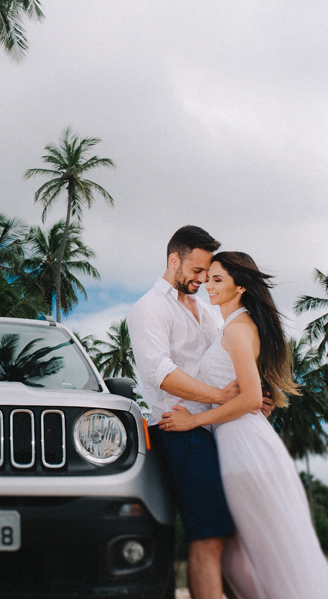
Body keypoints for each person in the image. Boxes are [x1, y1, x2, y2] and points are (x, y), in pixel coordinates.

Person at [159, 251, 328, 598]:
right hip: (239, 447)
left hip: (245, 452)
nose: (208, 284)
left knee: (261, 555)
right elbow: (250, 395)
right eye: (209, 277)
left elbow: (251, 399)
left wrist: (193, 420)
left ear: (241, 287)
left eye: (218, 279)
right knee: (245, 555)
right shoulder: (235, 325)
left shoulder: (238, 328)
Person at [128, 225, 241, 599]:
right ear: (173, 259)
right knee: (207, 538)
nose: (201, 279)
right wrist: (222, 397)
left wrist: (249, 395)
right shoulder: (150, 308)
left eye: (206, 273)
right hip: (180, 433)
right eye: (195, 271)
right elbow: (159, 373)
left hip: (213, 430)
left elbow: (223, 361)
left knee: (223, 538)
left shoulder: (206, 312)